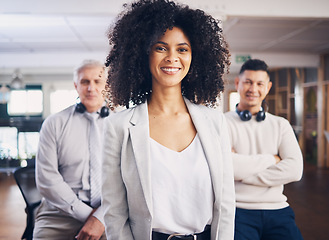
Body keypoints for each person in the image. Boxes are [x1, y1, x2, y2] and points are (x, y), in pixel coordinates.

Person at [101, 1, 235, 240]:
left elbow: (225, 204)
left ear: (195, 57)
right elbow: (115, 212)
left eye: (182, 49)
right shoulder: (118, 127)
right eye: (161, 48)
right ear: (144, 53)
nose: (172, 57)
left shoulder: (215, 122)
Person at [225, 59, 304, 240]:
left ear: (267, 87)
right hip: (238, 211)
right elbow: (228, 166)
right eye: (248, 82)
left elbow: (295, 170)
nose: (253, 89)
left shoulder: (280, 125)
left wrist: (243, 175)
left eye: (259, 84)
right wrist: (272, 159)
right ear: (238, 83)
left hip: (278, 209)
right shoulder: (222, 123)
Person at [33, 59, 109, 240]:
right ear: (76, 86)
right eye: (85, 82)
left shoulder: (123, 123)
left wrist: (99, 217)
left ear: (107, 85)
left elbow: (130, 181)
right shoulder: (54, 123)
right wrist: (87, 215)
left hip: (109, 212)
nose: (91, 88)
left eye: (97, 81)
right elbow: (47, 180)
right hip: (58, 212)